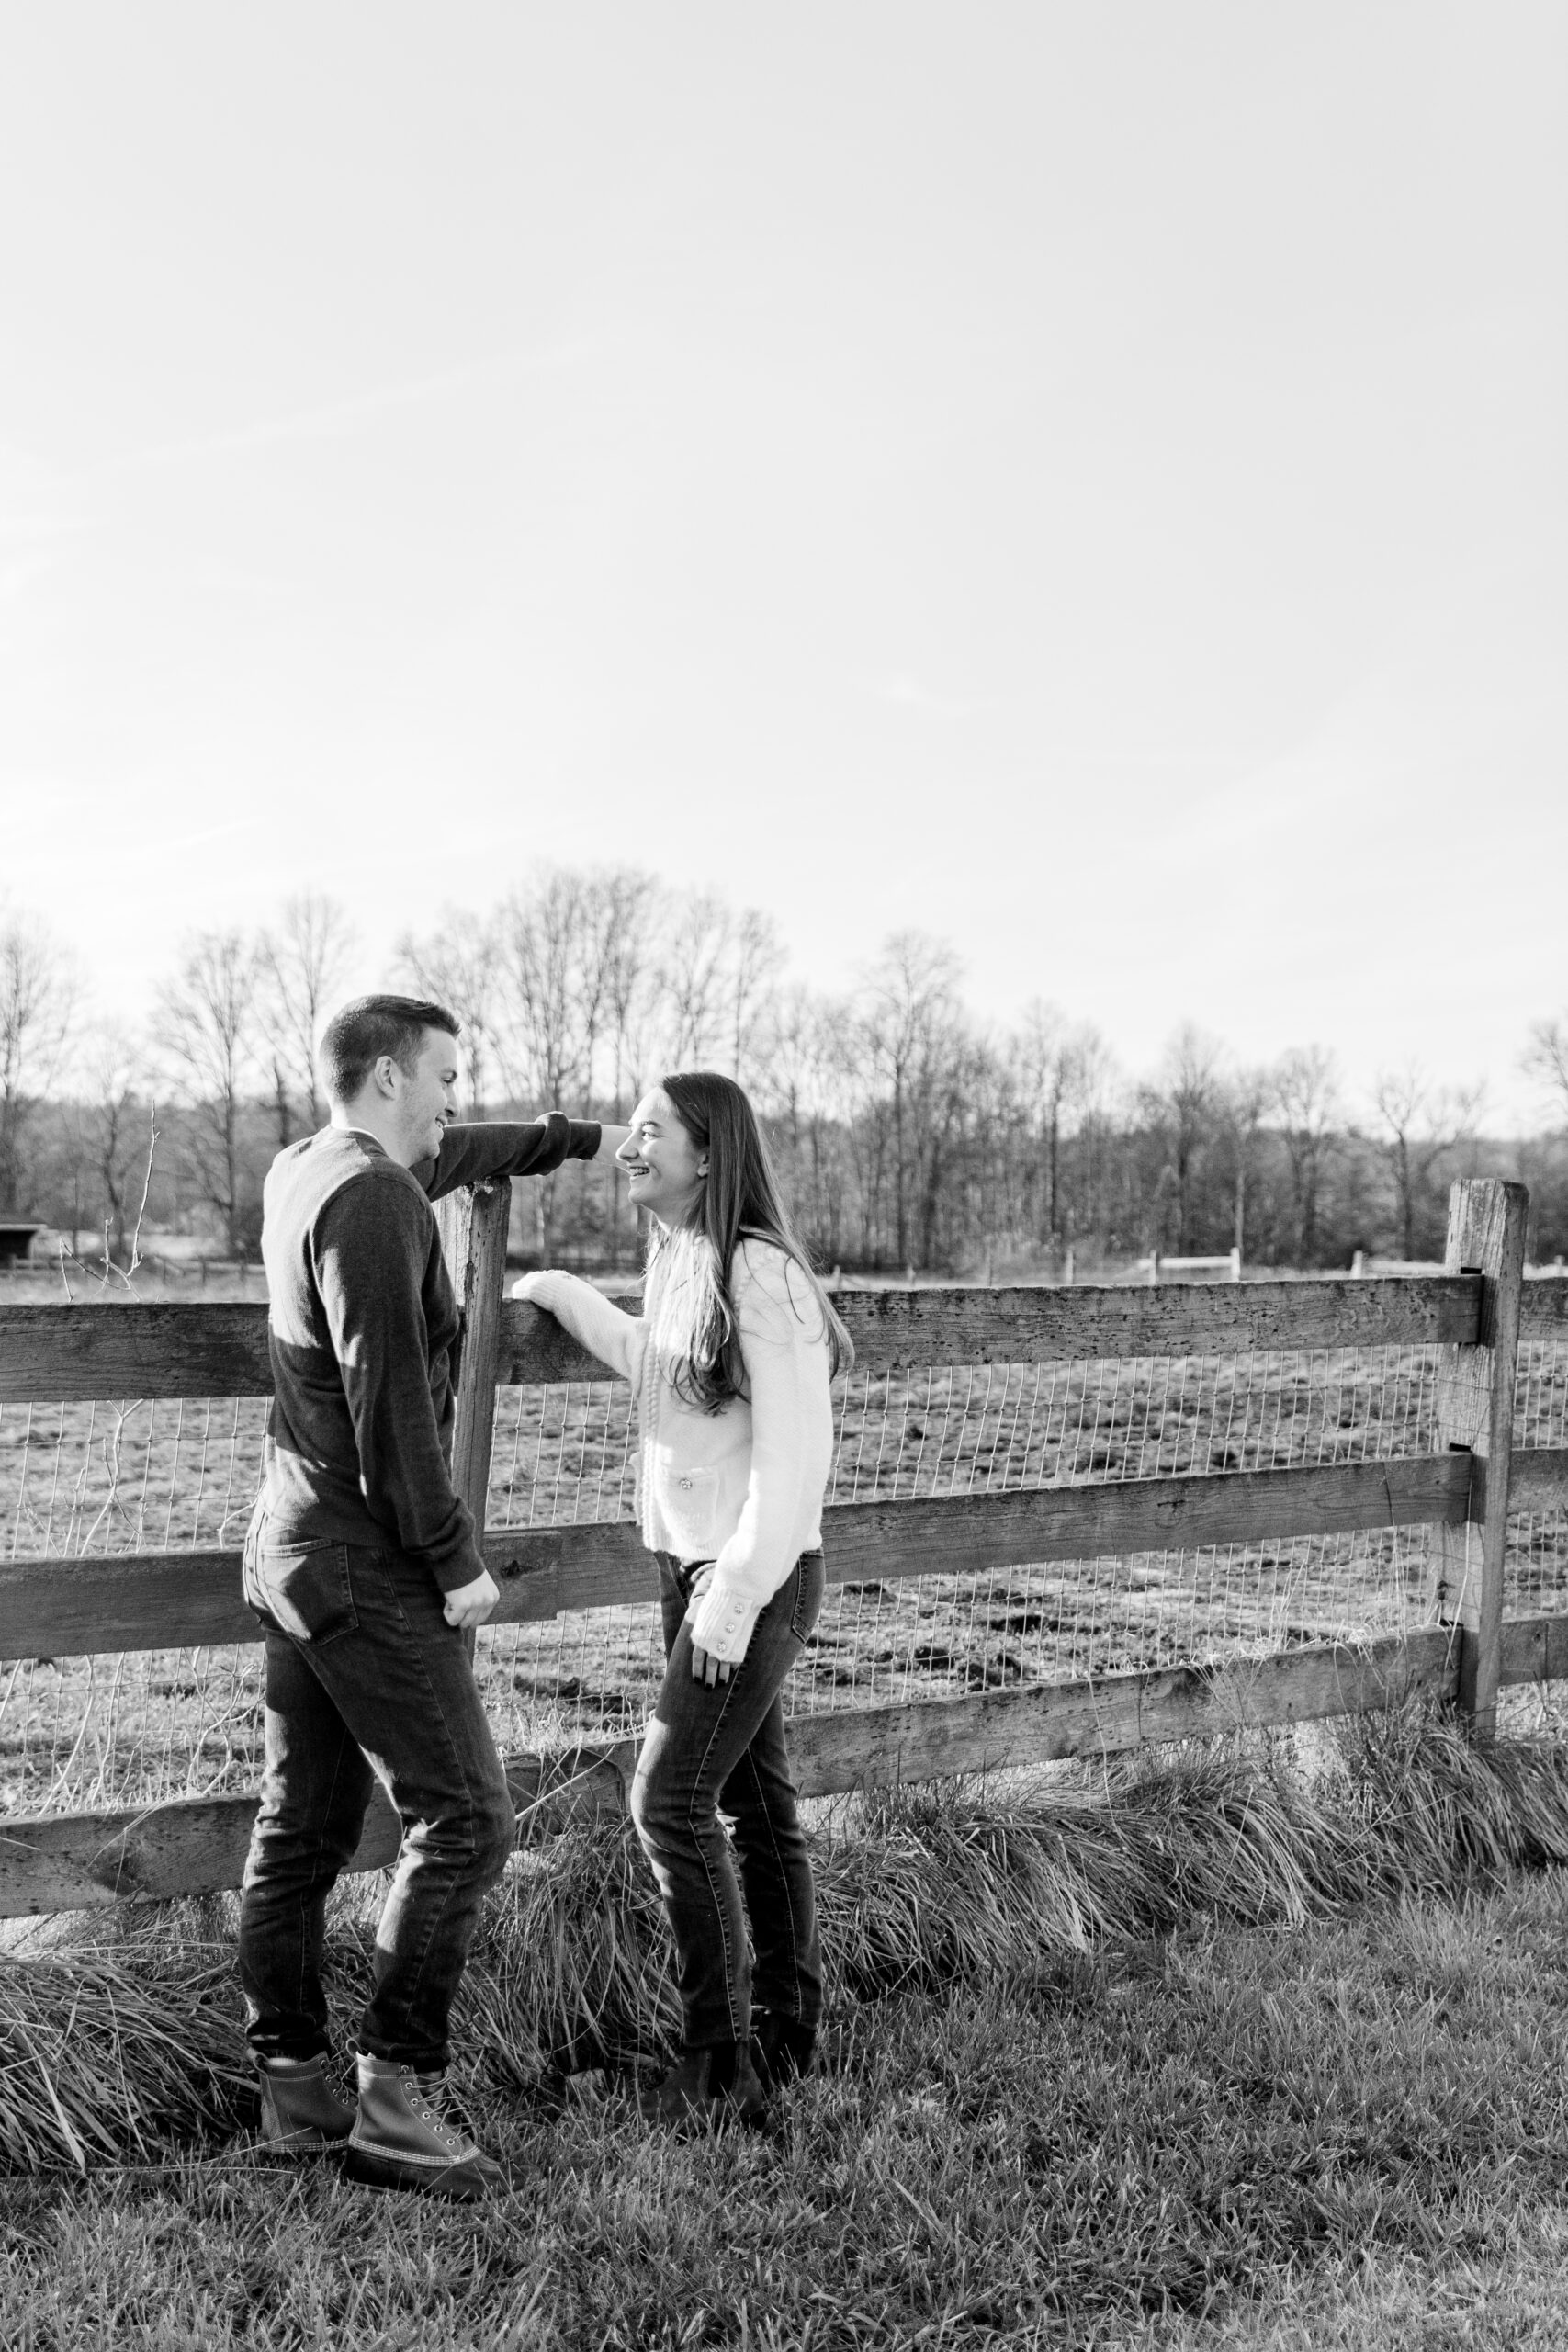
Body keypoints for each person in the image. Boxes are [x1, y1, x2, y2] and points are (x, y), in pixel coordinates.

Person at [238, 993, 628, 2200]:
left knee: (302, 1827)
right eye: (447, 1075)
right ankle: (395, 2097)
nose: (457, 1094)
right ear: (394, 1076)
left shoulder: (313, 1167)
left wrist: (555, 1138)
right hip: (363, 1557)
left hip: (294, 1549)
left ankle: (294, 2087)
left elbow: (456, 1154)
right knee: (467, 1819)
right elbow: (391, 1409)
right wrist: (457, 1561)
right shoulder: (372, 1202)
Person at [514, 1069, 852, 2128]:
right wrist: (559, 1290)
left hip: (748, 1578)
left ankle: (717, 2063)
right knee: (755, 1806)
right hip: (696, 1570)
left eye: (651, 1129)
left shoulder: (762, 1274)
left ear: (709, 1155)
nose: (630, 1143)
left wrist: (732, 1597)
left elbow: (796, 1460)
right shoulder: (684, 1260)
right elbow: (655, 1364)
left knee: (668, 1801)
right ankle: (788, 2037)